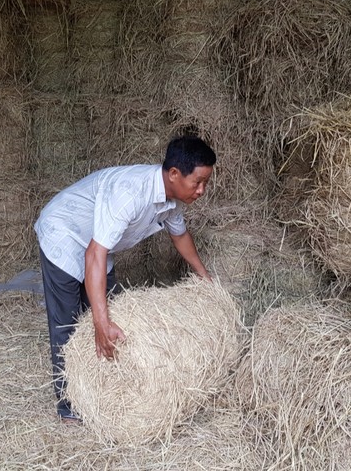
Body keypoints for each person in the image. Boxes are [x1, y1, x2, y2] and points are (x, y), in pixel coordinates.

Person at [34, 135, 216, 422]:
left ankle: (103, 391)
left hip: (97, 244)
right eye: (198, 182)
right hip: (65, 235)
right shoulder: (130, 192)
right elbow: (94, 253)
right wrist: (99, 322)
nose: (202, 190)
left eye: (206, 182)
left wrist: (205, 278)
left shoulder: (172, 200)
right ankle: (68, 406)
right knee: (68, 322)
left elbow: (179, 235)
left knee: (113, 314)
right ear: (174, 174)